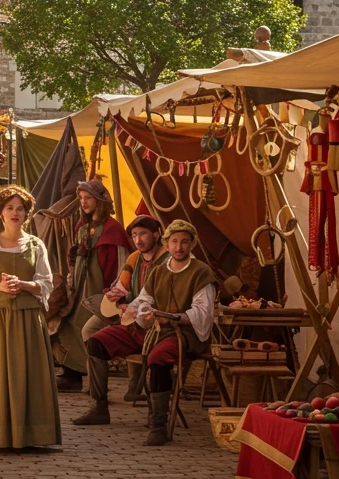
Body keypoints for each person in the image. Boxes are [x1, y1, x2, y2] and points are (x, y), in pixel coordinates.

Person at [85, 219, 216, 445]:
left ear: (192, 243)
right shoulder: (158, 271)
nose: (179, 247)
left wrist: (168, 316)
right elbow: (144, 299)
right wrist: (137, 310)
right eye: (174, 241)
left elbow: (202, 312)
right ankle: (100, 407)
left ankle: (158, 424)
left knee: (158, 358)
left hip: (181, 333)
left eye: (185, 242)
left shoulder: (201, 272)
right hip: (150, 329)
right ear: (167, 242)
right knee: (97, 342)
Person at [0, 186, 61, 450]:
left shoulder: (35, 245)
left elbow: (46, 283)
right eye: (10, 208)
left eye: (20, 208)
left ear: (26, 214)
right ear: (0, 213)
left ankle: (32, 434)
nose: (15, 213)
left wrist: (24, 285)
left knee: (29, 373)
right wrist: (0, 287)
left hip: (28, 320)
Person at [74, 214, 167, 421]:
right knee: (93, 339)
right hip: (127, 317)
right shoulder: (134, 258)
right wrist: (116, 297)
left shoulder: (168, 260)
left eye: (143, 234)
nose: (138, 240)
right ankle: (99, 405)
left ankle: (156, 415)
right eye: (134, 235)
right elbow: (121, 286)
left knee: (157, 354)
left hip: (158, 323)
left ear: (157, 233)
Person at [53, 179, 128, 390]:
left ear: (99, 200)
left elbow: (123, 264)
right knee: (67, 326)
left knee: (84, 326)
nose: (84, 202)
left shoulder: (113, 229)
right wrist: (71, 277)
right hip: (79, 287)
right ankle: (72, 374)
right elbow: (76, 256)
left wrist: (116, 290)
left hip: (99, 287)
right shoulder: (82, 226)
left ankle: (85, 376)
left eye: (88, 198)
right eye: (81, 198)